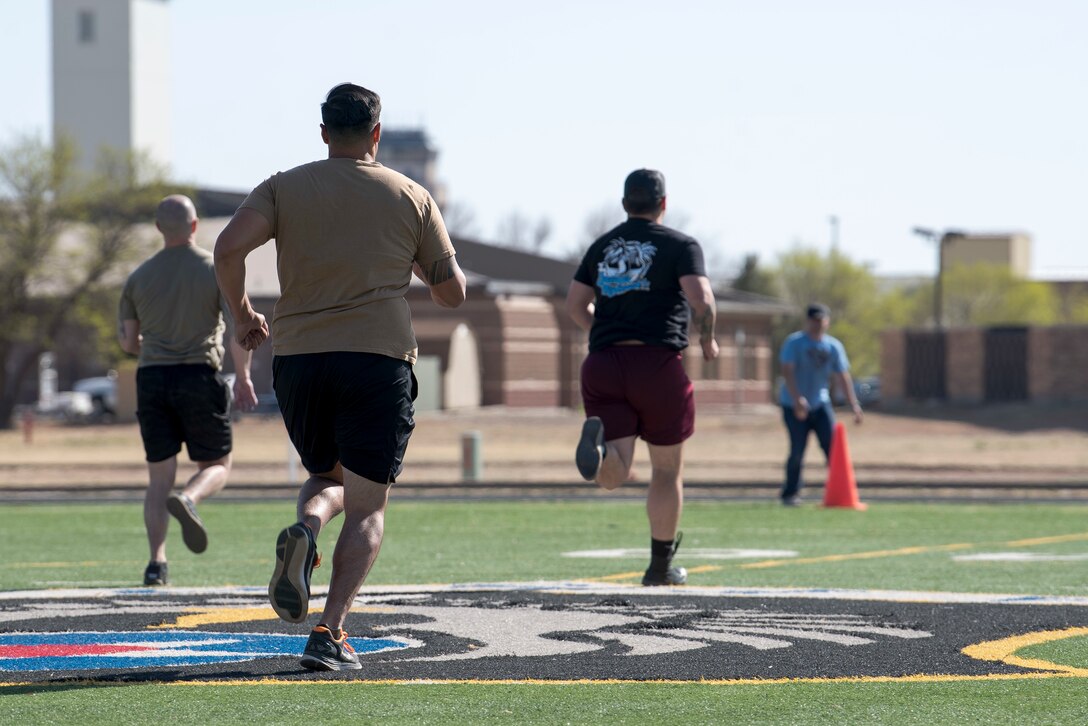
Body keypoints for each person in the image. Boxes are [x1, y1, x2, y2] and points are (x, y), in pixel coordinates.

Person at [214, 83, 466, 672]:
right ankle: (330, 631)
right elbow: (453, 295)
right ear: (376, 134)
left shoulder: (282, 187)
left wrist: (244, 313)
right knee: (367, 507)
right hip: (377, 359)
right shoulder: (411, 195)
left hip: (300, 360)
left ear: (324, 132)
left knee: (323, 478)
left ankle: (306, 527)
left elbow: (227, 249)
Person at [566, 168, 718, 587]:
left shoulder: (602, 245)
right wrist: (707, 340)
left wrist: (602, 329)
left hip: (603, 364)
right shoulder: (680, 245)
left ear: (624, 205)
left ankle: (599, 456)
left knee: (616, 474)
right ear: (664, 204)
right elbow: (701, 299)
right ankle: (659, 567)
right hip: (657, 365)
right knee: (666, 471)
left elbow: (576, 304)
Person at [118, 194, 257, 587]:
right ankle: (191, 499)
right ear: (195, 227)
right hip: (199, 375)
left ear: (159, 229)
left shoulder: (138, 277)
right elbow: (238, 331)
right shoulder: (215, 270)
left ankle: (156, 563)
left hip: (153, 379)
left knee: (158, 479)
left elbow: (129, 343)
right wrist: (244, 377)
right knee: (216, 466)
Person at [778, 303, 864, 506]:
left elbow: (843, 375)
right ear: (807, 321)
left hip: (820, 403)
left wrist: (854, 404)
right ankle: (790, 493)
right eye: (814, 320)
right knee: (797, 450)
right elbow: (788, 371)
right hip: (793, 404)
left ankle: (839, 490)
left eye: (821, 320)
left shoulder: (833, 346)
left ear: (827, 321)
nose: (817, 325)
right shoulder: (795, 343)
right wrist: (797, 398)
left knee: (833, 448)